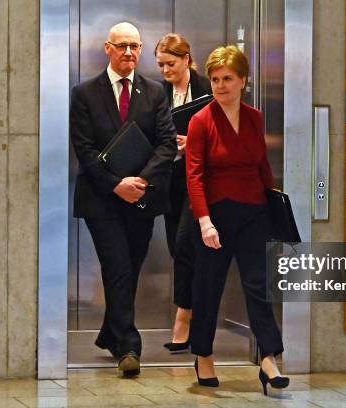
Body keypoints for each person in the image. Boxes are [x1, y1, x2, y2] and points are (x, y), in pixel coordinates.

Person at [70, 22, 177, 377]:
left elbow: (166, 142)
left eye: (134, 46)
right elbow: (83, 148)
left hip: (142, 198)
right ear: (107, 49)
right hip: (102, 199)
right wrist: (116, 184)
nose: (129, 52)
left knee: (129, 268)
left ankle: (109, 333)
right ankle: (129, 347)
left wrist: (142, 181)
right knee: (117, 267)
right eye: (122, 46)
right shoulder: (85, 93)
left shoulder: (155, 92)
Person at [185, 45, 289, 394]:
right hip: (214, 216)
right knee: (208, 289)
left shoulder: (255, 117)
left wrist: (271, 202)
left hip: (253, 212)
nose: (220, 85)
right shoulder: (201, 121)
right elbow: (194, 175)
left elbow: (261, 165)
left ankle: (269, 357)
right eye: (215, 79)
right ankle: (203, 355)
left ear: (243, 80)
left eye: (227, 78)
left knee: (258, 286)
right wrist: (204, 221)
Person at [154, 33, 211, 352]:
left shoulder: (206, 89)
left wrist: (194, 143)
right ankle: (197, 312)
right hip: (170, 178)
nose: (165, 70)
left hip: (200, 178)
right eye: (160, 64)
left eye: (171, 64)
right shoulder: (155, 93)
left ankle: (184, 316)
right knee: (179, 249)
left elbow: (224, 130)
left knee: (185, 241)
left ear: (187, 59)